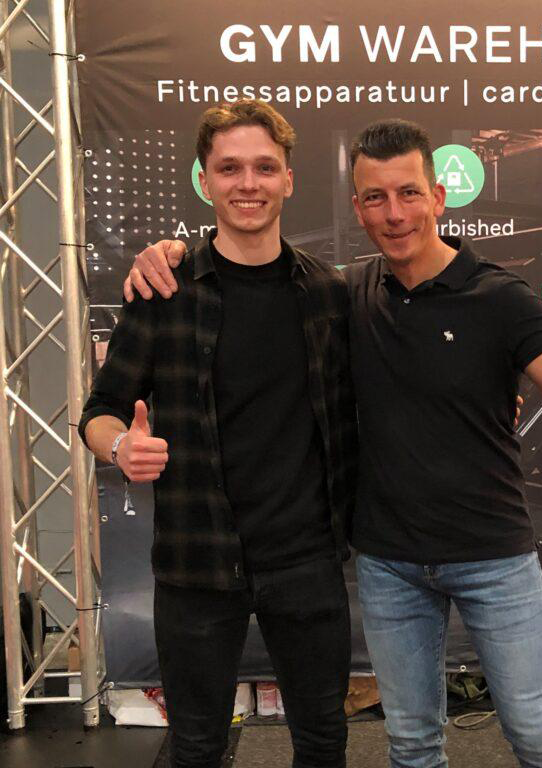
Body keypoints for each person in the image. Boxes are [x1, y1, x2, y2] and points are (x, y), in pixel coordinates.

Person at [125, 117, 542, 768]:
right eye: (376, 197)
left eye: (408, 193)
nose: (394, 214)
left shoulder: (500, 298)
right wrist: (169, 253)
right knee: (412, 745)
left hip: (492, 556)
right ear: (358, 207)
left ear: (438, 197)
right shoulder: (348, 293)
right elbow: (250, 274)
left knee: (538, 733)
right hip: (390, 563)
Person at [79, 100, 356, 768]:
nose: (247, 183)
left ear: (289, 179)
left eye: (264, 167)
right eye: (229, 168)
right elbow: (99, 411)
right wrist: (120, 447)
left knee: (323, 740)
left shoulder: (327, 292)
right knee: (198, 746)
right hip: (195, 560)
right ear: (205, 181)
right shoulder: (163, 291)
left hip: (306, 558)